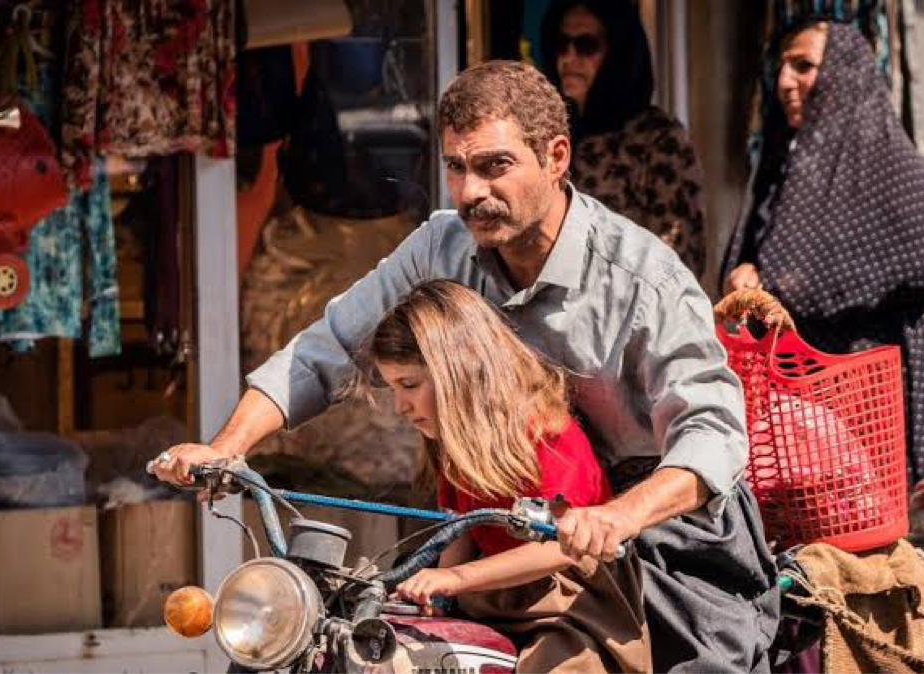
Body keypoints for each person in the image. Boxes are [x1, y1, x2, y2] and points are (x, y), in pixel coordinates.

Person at [153, 60, 778, 672]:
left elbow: (714, 435)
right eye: (456, 167)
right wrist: (226, 450)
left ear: (557, 157)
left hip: (662, 538)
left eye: (495, 166)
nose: (472, 191)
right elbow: (328, 346)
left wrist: (617, 516)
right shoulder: (440, 245)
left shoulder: (644, 277)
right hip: (509, 536)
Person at [359, 279, 649, 673]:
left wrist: (457, 578)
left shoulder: (545, 432)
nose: (401, 406)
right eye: (394, 388)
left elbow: (560, 548)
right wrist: (436, 592)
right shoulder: (454, 444)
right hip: (490, 597)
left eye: (409, 385)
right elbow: (456, 533)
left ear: (459, 371)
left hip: (567, 602)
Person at [718, 21, 924, 481]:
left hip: (871, 391)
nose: (786, 82)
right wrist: (746, 273)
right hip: (798, 392)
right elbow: (759, 252)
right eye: (782, 68)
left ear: (844, 75)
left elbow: (921, 263)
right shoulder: (783, 170)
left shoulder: (900, 170)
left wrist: (784, 284)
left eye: (804, 66)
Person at [539, 0, 707, 278]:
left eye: (586, 46)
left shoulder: (657, 138)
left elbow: (678, 256)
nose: (569, 58)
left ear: (619, 54)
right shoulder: (547, 133)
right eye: (561, 44)